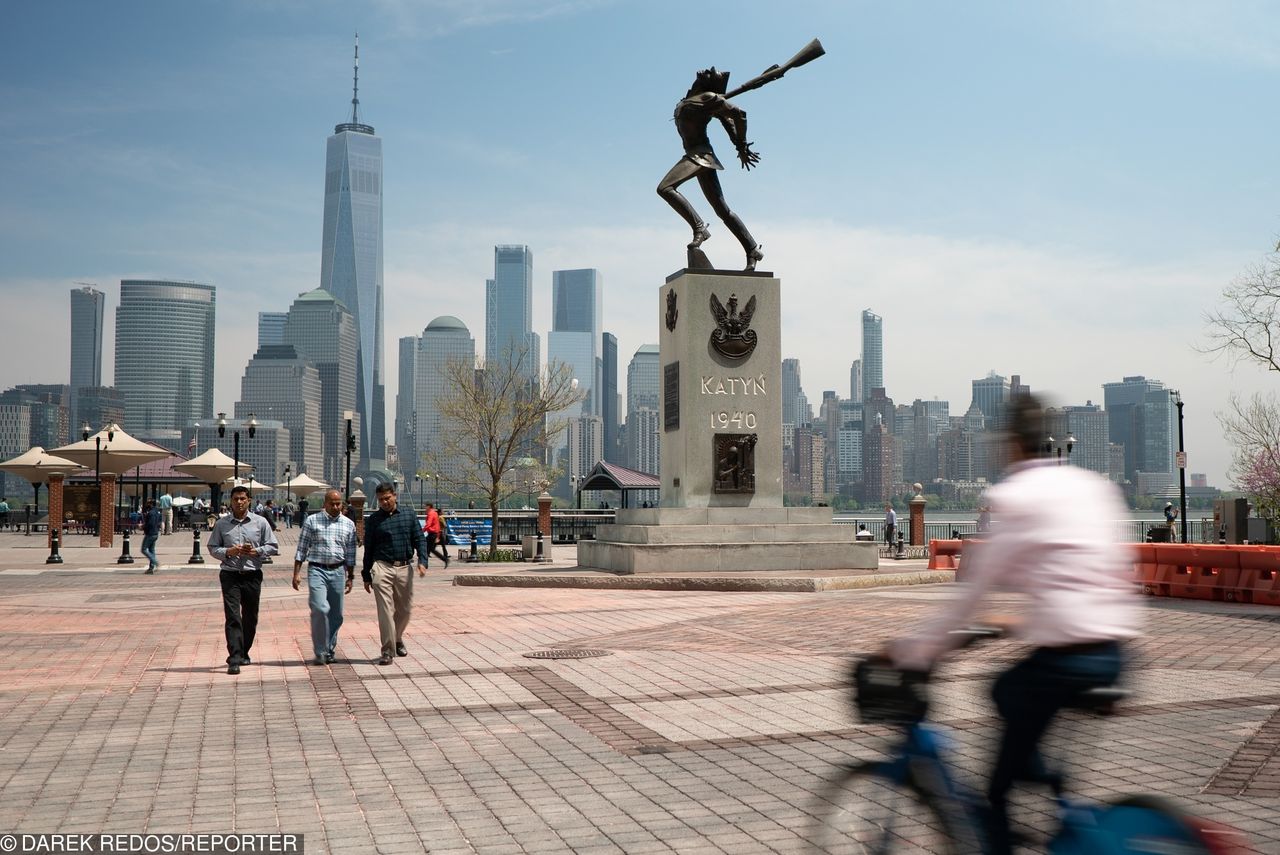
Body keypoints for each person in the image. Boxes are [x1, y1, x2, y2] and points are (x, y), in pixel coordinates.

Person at [889, 394, 1142, 855]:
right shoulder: (1091, 484)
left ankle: (1012, 812)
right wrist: (1017, 623)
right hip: (1118, 648)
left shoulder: (1017, 495)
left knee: (1002, 718)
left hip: (1069, 658)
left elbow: (972, 592)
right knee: (1016, 702)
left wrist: (915, 648)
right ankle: (1048, 784)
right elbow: (1078, 569)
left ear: (1011, 446)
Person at [657, 66, 764, 271]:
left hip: (700, 155)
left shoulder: (708, 98)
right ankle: (752, 249)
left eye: (712, 73)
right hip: (697, 155)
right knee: (722, 209)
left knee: (665, 188)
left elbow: (738, 115)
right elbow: (726, 119)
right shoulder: (694, 99)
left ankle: (699, 228)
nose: (709, 69)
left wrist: (741, 145)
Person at [208, 484, 279, 675]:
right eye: (235, 499)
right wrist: (228, 552)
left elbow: (273, 545)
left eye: (242, 499)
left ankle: (244, 651)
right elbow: (213, 547)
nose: (239, 502)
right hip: (230, 574)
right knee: (233, 616)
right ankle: (234, 657)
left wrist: (257, 551)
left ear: (249, 501)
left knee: (250, 617)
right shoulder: (222, 524)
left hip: (252, 574)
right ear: (230, 502)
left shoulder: (260, 522)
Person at [362, 482, 431, 666]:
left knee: (405, 610)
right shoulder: (374, 520)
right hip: (381, 566)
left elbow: (420, 540)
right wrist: (366, 575)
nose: (384, 502)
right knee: (385, 610)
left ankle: (397, 638)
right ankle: (387, 651)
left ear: (395, 496)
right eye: (380, 500)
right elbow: (368, 549)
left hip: (404, 567)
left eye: (387, 498)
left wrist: (423, 561)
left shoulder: (408, 515)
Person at [293, 489, 357, 666]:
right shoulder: (312, 521)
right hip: (317, 570)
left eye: (339, 504)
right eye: (332, 503)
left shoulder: (348, 524)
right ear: (325, 504)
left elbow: (351, 554)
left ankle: (329, 649)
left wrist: (350, 576)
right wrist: (296, 573)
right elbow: (302, 548)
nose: (336, 507)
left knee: (336, 615)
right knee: (320, 609)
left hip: (338, 571)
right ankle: (320, 651)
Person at [422, 502, 450, 568]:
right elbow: (437, 526)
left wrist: (421, 531)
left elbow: (428, 524)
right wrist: (437, 535)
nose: (424, 508)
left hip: (432, 534)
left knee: (426, 548)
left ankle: (425, 564)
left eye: (425, 506)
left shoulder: (431, 514)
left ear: (429, 506)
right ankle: (425, 564)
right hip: (434, 534)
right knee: (429, 549)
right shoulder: (435, 513)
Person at [140, 499, 162, 574]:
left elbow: (150, 524)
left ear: (152, 504)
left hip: (150, 533)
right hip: (155, 533)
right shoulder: (158, 512)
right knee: (152, 550)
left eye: (148, 503)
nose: (147, 505)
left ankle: (155, 562)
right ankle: (151, 568)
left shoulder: (151, 513)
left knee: (144, 549)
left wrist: (142, 526)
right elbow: (159, 522)